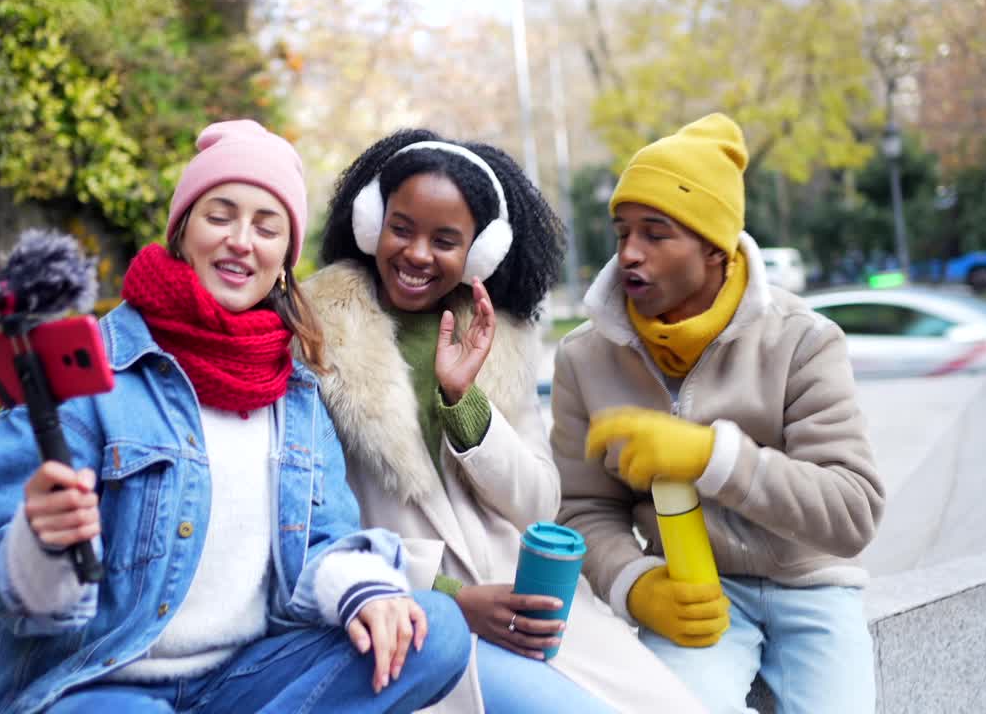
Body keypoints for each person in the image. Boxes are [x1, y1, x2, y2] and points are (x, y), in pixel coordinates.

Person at [0, 120, 470, 714]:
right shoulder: (85, 369)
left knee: (432, 629)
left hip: (242, 680)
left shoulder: (297, 391)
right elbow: (2, 584)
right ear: (182, 231)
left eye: (266, 227)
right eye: (219, 216)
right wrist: (41, 541)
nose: (241, 241)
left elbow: (322, 540)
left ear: (284, 259)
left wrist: (365, 592)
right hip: (100, 685)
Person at [302, 129, 708, 714]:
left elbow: (539, 502)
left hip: (533, 607)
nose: (418, 254)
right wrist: (453, 598)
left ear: (481, 252)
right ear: (371, 223)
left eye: (445, 240)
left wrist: (464, 400)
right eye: (401, 228)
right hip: (412, 616)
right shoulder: (313, 338)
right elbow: (313, 527)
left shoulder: (502, 338)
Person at [552, 113, 885, 714]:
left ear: (713, 247)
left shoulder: (804, 339)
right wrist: (635, 584)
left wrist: (714, 458)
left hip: (814, 586)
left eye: (656, 234)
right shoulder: (582, 357)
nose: (629, 253)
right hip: (694, 594)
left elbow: (852, 512)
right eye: (622, 232)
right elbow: (582, 509)